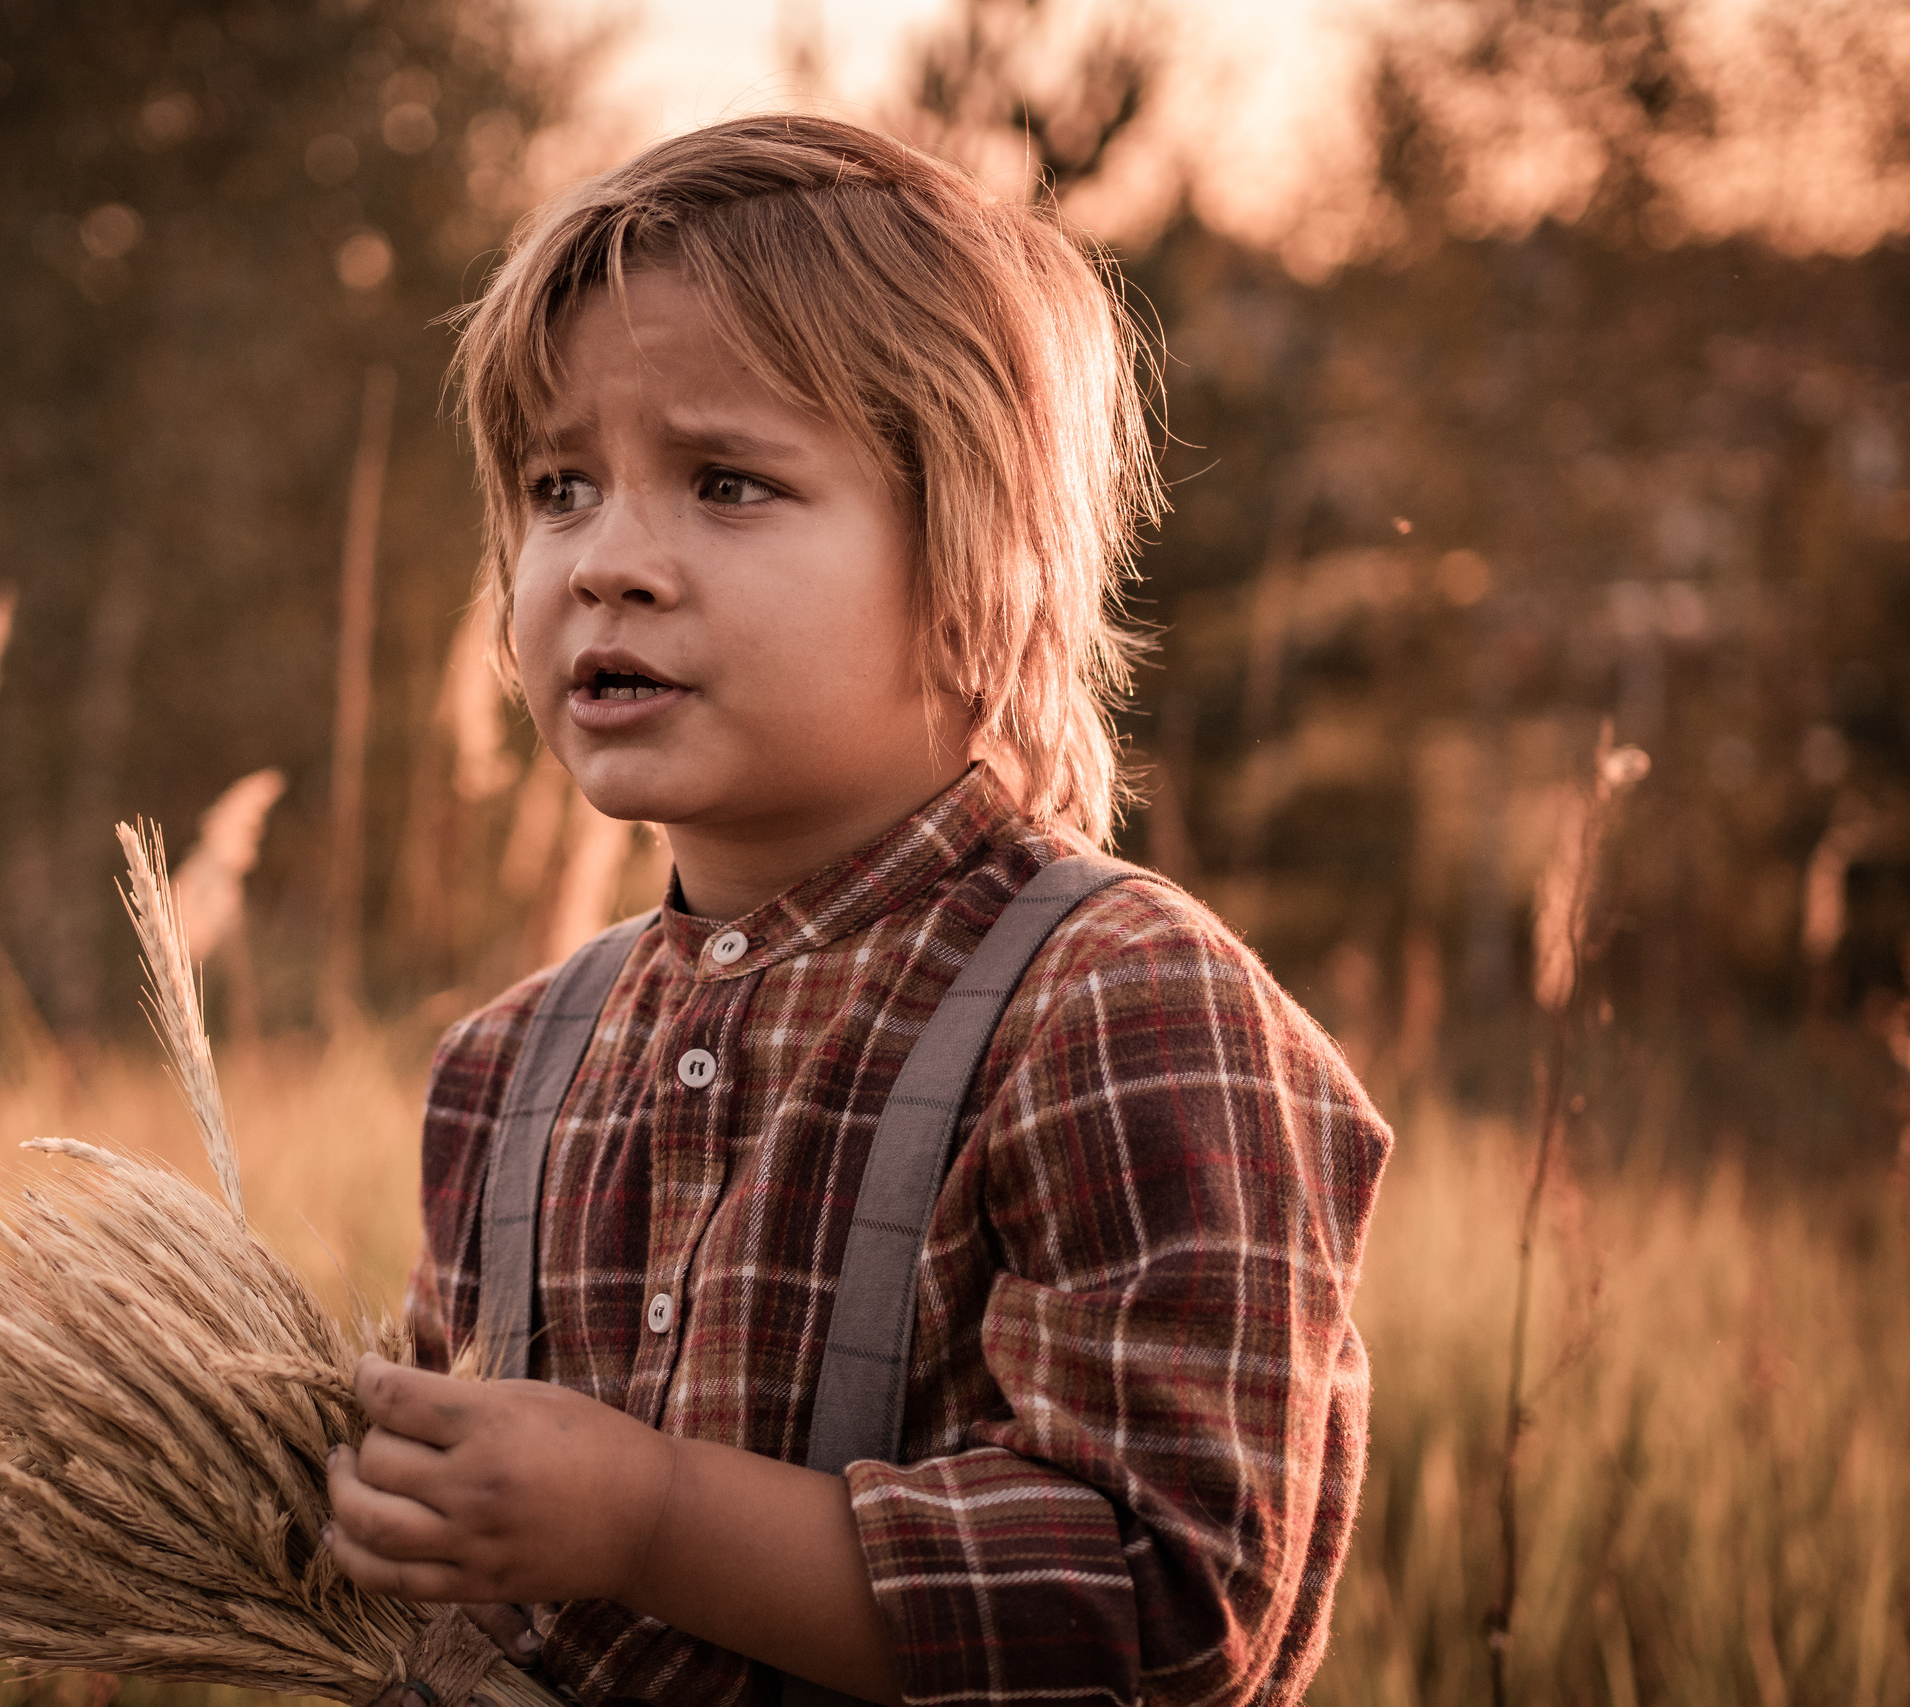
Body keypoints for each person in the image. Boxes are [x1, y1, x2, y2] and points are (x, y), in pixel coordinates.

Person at [321, 114, 1392, 1707]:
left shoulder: (1118, 1006)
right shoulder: (505, 1064)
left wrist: (646, 1520)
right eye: (559, 487)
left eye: (728, 483)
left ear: (980, 567)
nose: (608, 562)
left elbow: (1177, 1610)